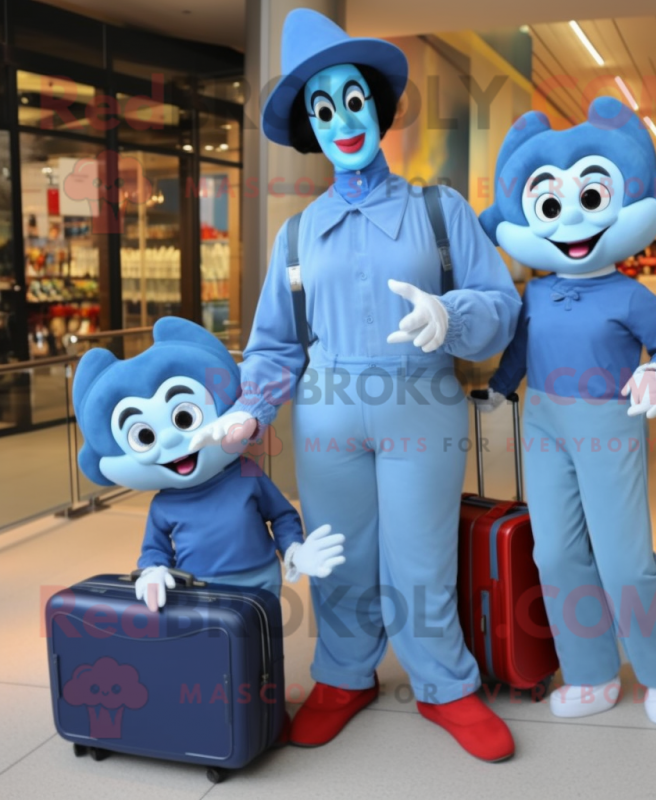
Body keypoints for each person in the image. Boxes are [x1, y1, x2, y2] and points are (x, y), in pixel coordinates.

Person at [190, 9, 521, 763]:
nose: (342, 118)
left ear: (376, 102)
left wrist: (453, 315)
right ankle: (343, 674)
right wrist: (249, 410)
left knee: (422, 552)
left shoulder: (438, 210)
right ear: (312, 125)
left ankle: (444, 682)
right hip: (329, 410)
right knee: (337, 551)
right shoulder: (299, 231)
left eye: (352, 98)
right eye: (322, 107)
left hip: (421, 403)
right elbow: (275, 341)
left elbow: (500, 308)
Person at [476, 97, 656, 726]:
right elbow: (522, 348)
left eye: (589, 200)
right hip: (545, 419)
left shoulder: (630, 294)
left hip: (608, 421)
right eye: (550, 204)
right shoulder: (537, 292)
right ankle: (591, 671)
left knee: (624, 557)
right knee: (556, 554)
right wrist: (498, 386)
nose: (569, 218)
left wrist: (655, 370)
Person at [71, 317, 346, 608]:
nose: (168, 440)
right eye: (145, 436)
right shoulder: (163, 506)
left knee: (261, 642)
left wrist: (293, 550)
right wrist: (152, 571)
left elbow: (281, 515)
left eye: (184, 418)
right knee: (213, 645)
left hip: (260, 579)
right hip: (198, 586)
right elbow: (155, 549)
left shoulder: (246, 475)